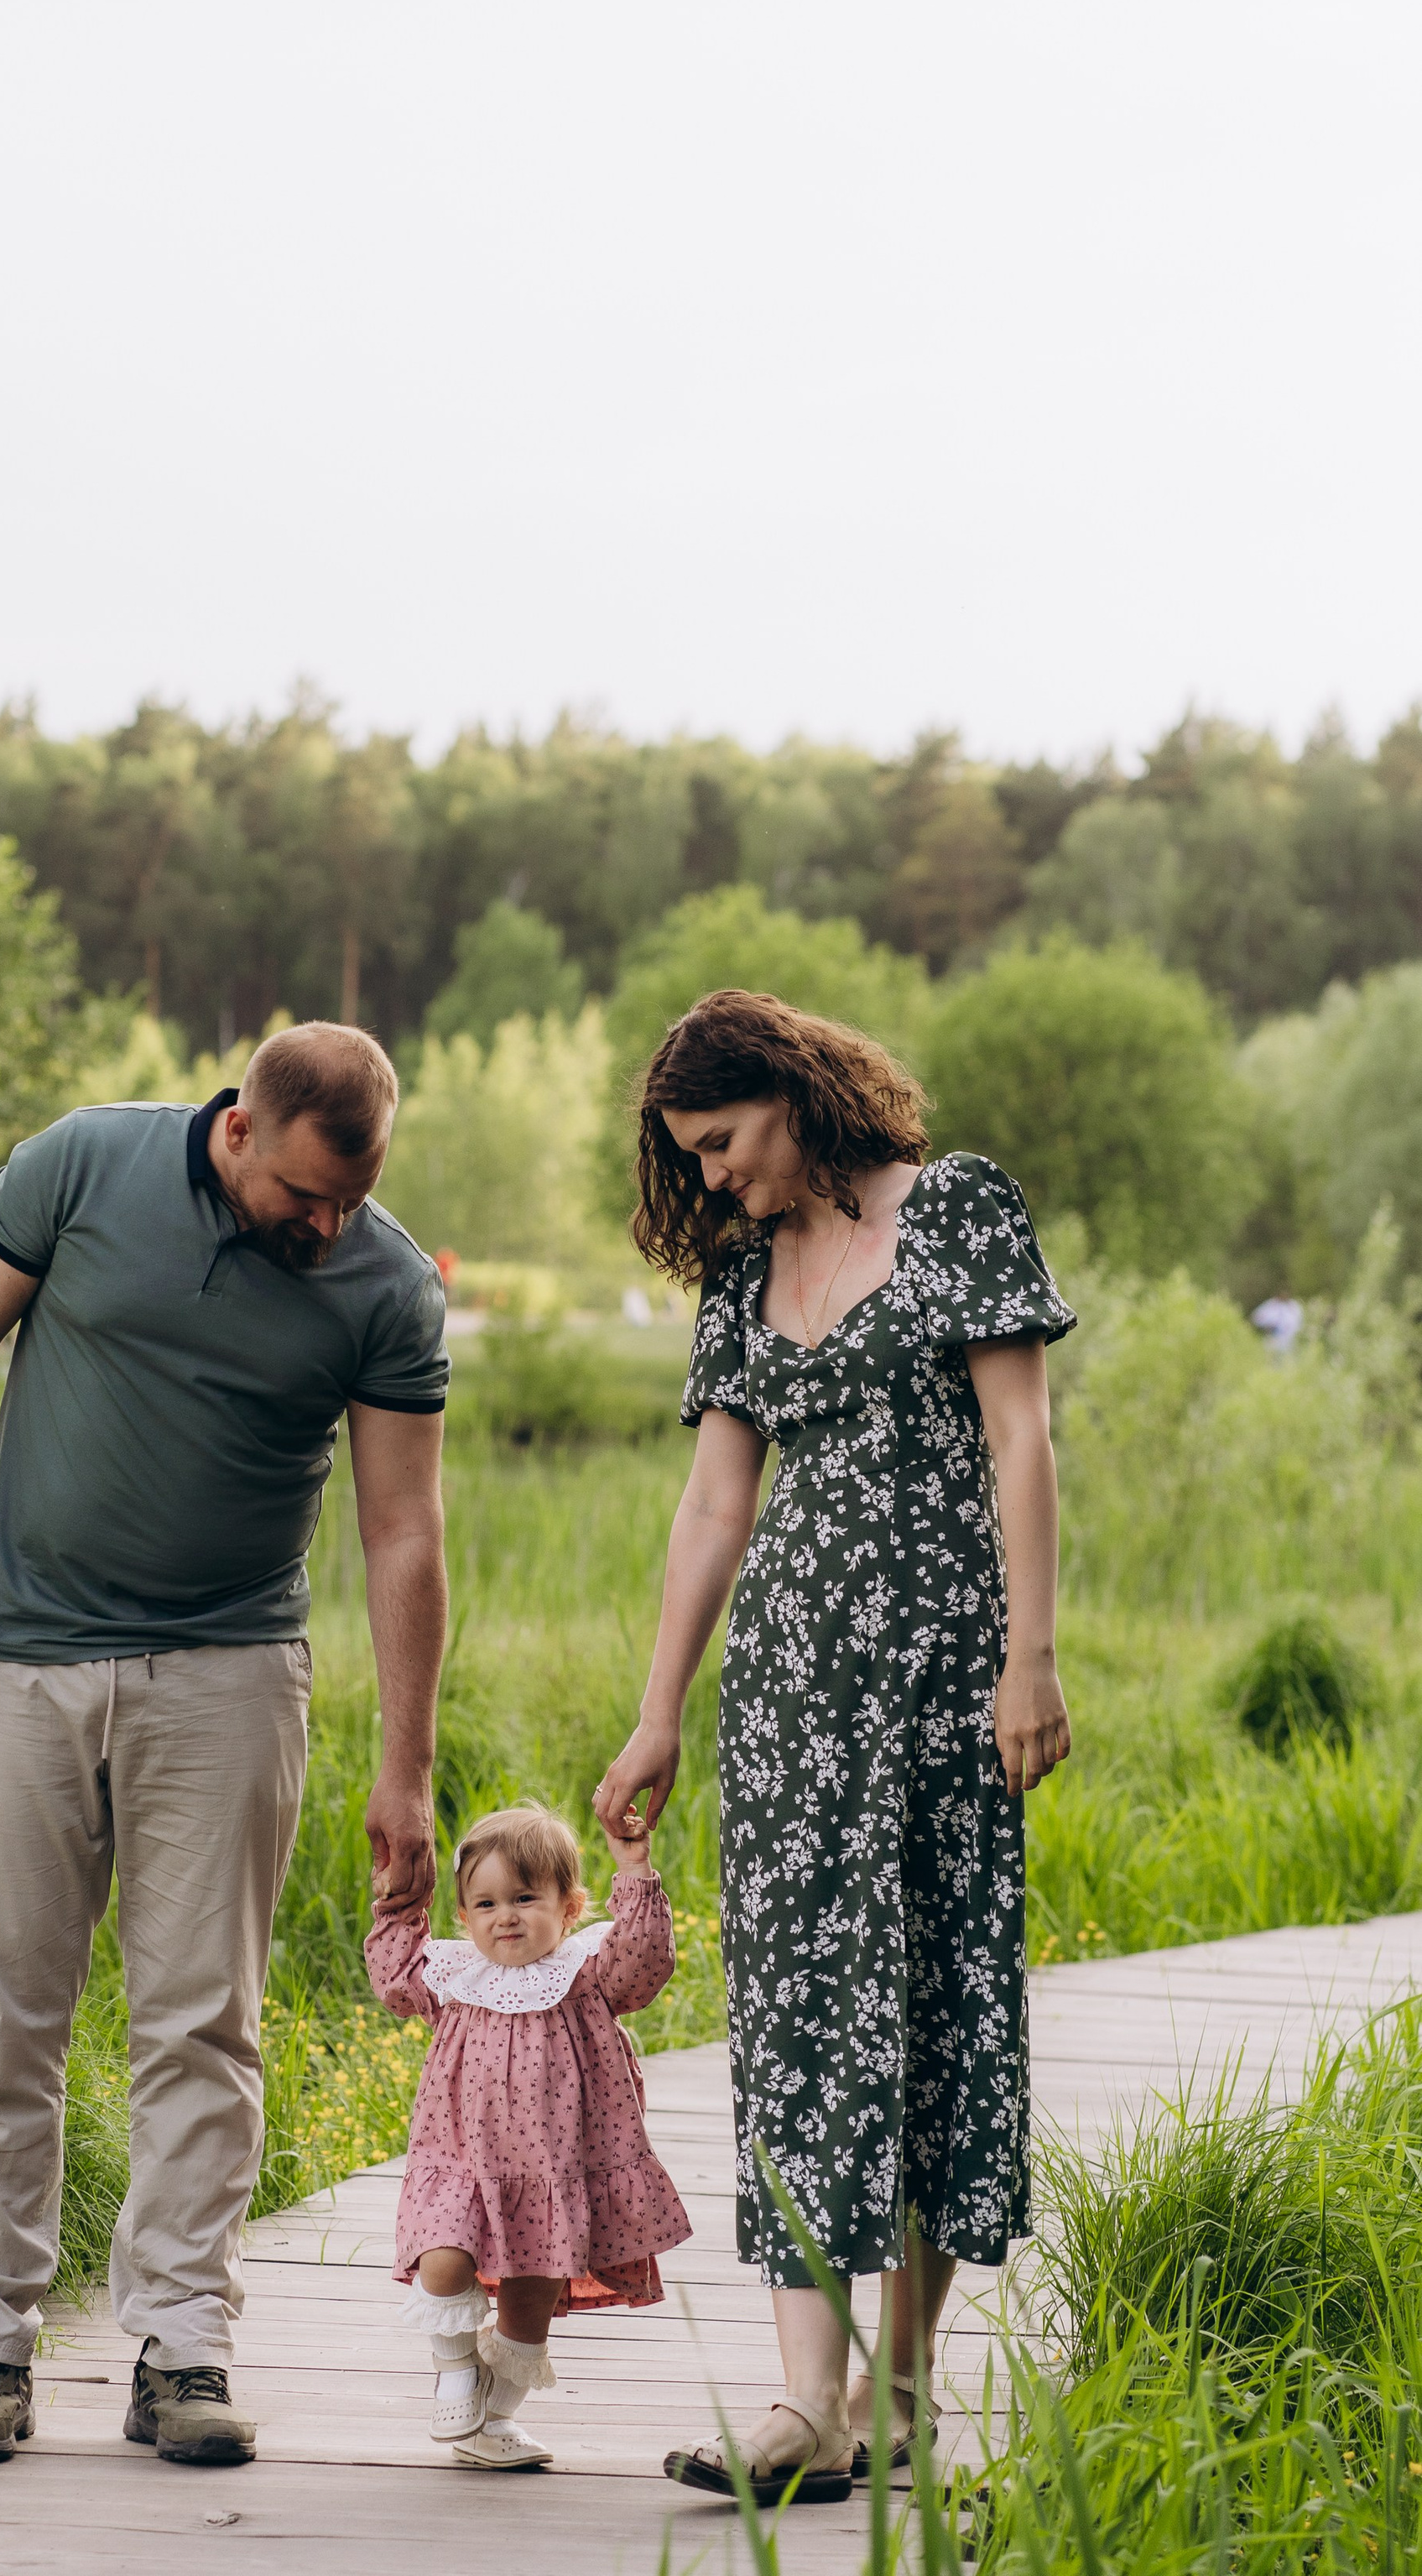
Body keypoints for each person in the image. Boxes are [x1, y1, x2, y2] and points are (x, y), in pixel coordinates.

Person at [0, 1024, 451, 2471]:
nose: (331, 1226)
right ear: (238, 1128)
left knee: (202, 2023)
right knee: (3, 2017)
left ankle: (183, 2349)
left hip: (230, 1676)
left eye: (355, 1197)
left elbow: (403, 1530)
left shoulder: (385, 1284)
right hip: (17, 1663)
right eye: (307, 1195)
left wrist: (407, 1765)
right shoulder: (81, 1164)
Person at [591, 989, 1074, 2506]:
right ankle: (806, 2400)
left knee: (930, 2008)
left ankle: (899, 2392)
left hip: (945, 1687)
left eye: (725, 1139)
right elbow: (714, 1505)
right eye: (693, 1154)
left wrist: (1030, 1656)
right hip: (791, 1700)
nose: (714, 1174)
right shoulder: (742, 1279)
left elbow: (1022, 1439)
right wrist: (661, 1709)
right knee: (797, 2021)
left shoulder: (959, 1212)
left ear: (798, 1094)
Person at [364, 1801, 692, 2471]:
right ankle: (456, 2371)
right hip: (461, 2162)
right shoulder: (455, 1976)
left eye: (524, 1898)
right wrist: (400, 1895)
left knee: (530, 2306)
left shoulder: (585, 1974)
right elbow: (392, 1975)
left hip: (553, 2174)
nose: (505, 1916)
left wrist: (634, 1868)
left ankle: (495, 2422)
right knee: (442, 2260)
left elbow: (645, 1961)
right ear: (463, 1917)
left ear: (569, 1908)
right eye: (485, 1904)